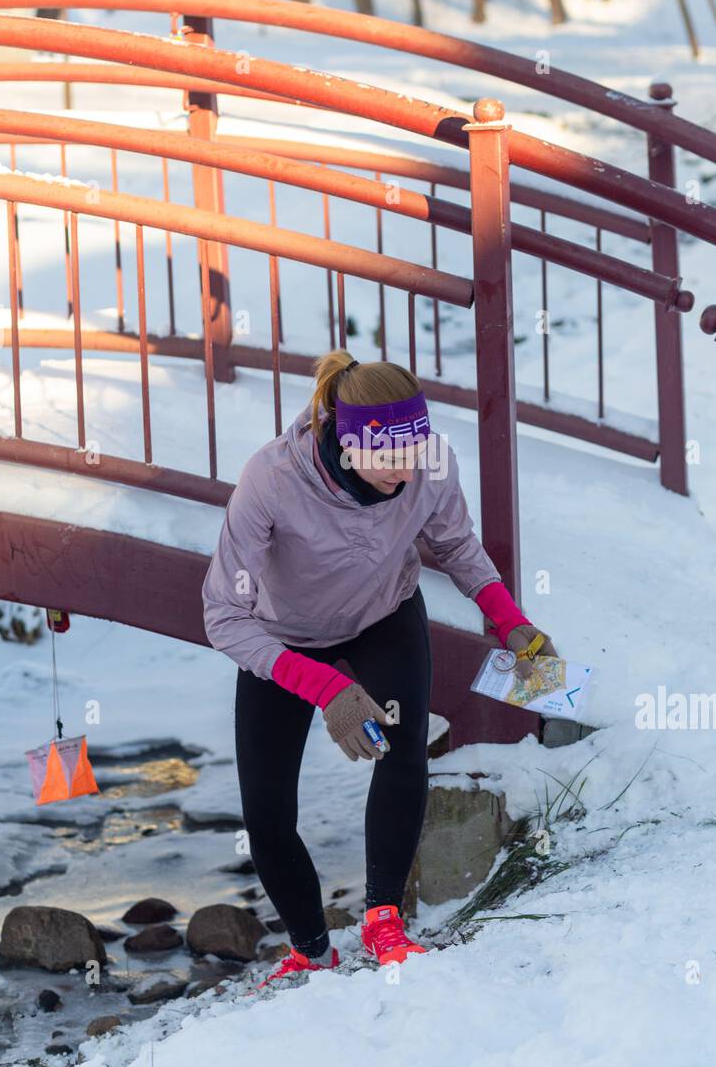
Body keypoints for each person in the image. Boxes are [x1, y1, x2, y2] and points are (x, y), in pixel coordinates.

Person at [202, 349, 555, 983]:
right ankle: (310, 949)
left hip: (384, 615)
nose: (405, 469)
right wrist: (324, 687)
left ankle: (384, 918)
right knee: (266, 810)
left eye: (413, 453)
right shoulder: (272, 480)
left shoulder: (427, 459)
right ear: (345, 439)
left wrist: (511, 621)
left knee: (402, 751)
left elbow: (455, 544)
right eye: (389, 457)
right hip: (287, 638)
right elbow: (224, 615)